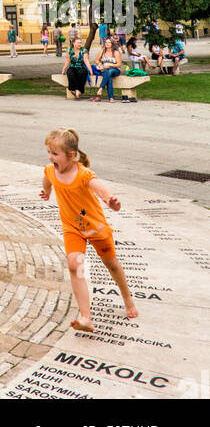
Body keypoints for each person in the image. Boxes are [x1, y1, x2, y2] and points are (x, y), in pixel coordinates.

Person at [40, 127, 137, 333]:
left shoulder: (83, 174)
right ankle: (86, 318)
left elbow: (99, 188)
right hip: (72, 228)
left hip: (96, 228)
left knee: (112, 265)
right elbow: (48, 179)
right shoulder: (50, 169)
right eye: (48, 152)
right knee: (75, 265)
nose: (50, 157)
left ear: (71, 155)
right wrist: (46, 192)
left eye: (55, 153)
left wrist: (111, 200)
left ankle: (127, 298)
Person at [92, 35, 122, 102]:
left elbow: (119, 64)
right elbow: (96, 60)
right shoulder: (102, 51)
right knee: (109, 77)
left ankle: (101, 88)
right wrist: (99, 64)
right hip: (104, 69)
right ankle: (111, 98)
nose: (107, 44)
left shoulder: (116, 52)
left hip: (115, 70)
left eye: (109, 42)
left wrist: (110, 65)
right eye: (106, 42)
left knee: (110, 71)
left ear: (112, 44)